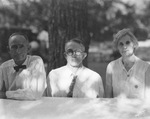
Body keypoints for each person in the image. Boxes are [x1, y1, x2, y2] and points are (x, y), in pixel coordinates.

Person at [105, 28, 150, 99]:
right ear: (117, 47)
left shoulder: (146, 68)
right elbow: (108, 98)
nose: (124, 47)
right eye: (121, 44)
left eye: (127, 42)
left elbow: (148, 99)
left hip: (138, 109)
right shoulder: (111, 67)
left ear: (134, 44)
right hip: (117, 109)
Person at [0, 32, 47, 100]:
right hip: (10, 108)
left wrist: (6, 94)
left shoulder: (36, 62)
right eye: (14, 47)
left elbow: (34, 93)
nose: (18, 51)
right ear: (8, 50)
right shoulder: (4, 67)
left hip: (35, 108)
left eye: (21, 46)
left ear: (28, 48)